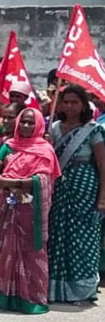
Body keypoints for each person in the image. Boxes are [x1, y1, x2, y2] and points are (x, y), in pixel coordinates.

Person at [0, 108, 60, 314]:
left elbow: (44, 179)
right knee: (7, 248)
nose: (26, 126)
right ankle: (4, 295)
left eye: (30, 123)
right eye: (23, 122)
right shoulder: (9, 145)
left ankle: (32, 297)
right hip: (8, 203)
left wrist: (14, 181)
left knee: (30, 250)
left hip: (31, 207)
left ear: (38, 125)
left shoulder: (45, 149)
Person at [48, 84, 105, 304]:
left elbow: (102, 166)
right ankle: (56, 289)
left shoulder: (94, 130)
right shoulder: (53, 128)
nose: (70, 107)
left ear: (83, 105)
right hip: (58, 192)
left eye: (75, 102)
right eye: (66, 102)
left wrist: (102, 199)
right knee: (57, 238)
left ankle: (83, 290)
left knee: (83, 240)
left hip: (85, 193)